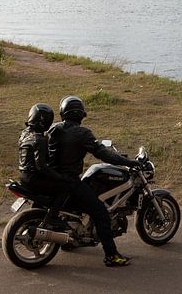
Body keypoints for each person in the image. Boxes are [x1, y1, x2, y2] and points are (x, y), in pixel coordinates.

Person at [47, 95, 140, 267]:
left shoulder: (53, 128)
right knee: (101, 213)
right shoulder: (82, 133)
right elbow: (103, 154)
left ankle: (71, 240)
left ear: (63, 113)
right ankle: (111, 256)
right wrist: (129, 162)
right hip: (69, 182)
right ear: (80, 114)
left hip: (51, 179)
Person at [17, 103, 74, 201]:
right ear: (44, 121)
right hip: (34, 179)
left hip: (23, 175)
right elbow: (41, 166)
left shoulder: (25, 133)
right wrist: (60, 177)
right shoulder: (39, 139)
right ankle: (55, 209)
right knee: (68, 186)